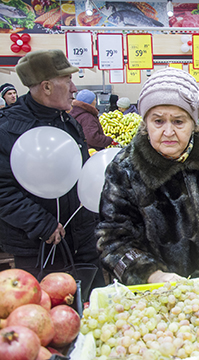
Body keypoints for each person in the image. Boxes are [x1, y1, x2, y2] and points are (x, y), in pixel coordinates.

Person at [96, 68, 199, 285]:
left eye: (178, 121)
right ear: (145, 123)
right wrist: (152, 275)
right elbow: (112, 241)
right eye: (158, 121)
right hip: (160, 298)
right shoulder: (126, 170)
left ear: (194, 124)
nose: (168, 131)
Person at [0, 50, 105, 290]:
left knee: (89, 304)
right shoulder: (7, 129)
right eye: (67, 80)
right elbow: (2, 189)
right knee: (47, 311)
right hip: (38, 246)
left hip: (82, 239)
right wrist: (40, 223)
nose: (74, 88)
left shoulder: (68, 122)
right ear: (46, 87)